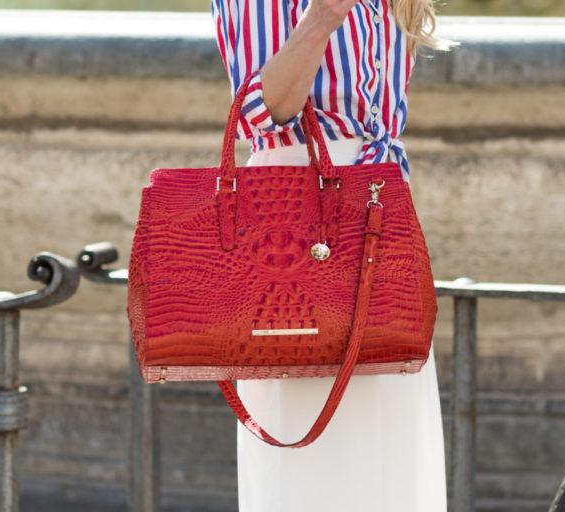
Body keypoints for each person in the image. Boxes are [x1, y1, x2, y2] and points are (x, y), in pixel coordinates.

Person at [210, 0, 455, 510]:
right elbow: (262, 114)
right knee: (310, 455)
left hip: (380, 213)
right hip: (292, 222)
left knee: (392, 443)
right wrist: (322, 16)